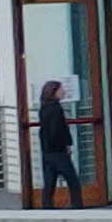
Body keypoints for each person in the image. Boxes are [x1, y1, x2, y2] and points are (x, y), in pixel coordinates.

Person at [35, 78, 81, 208]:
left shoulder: (44, 109)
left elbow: (44, 131)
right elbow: (58, 130)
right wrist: (66, 144)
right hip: (58, 151)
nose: (63, 92)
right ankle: (77, 205)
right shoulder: (56, 109)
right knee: (72, 181)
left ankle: (47, 206)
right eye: (61, 89)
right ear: (54, 92)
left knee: (49, 182)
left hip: (48, 151)